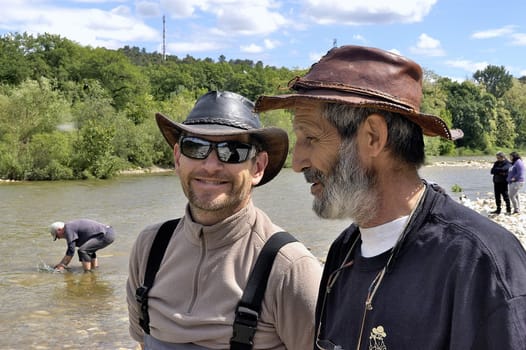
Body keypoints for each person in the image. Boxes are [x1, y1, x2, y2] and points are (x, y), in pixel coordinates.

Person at [255, 45, 526, 349]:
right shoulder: (343, 252)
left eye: (312, 138)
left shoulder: (479, 263)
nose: (298, 163)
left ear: (372, 137)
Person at [126, 91, 322, 350]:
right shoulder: (149, 247)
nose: (210, 165)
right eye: (195, 147)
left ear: (258, 167)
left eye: (232, 151)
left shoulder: (290, 269)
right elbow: (142, 341)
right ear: (177, 158)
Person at [49, 219, 115, 272]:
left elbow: (71, 250)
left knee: (82, 250)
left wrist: (62, 265)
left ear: (59, 230)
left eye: (57, 236)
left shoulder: (68, 229)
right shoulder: (71, 227)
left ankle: (87, 275)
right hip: (108, 232)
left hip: (106, 234)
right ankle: (95, 269)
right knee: (87, 249)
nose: (59, 238)